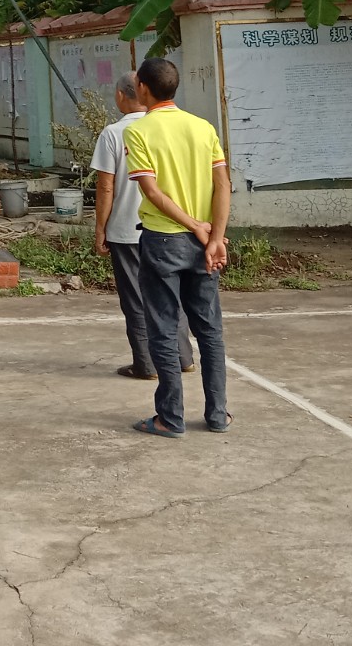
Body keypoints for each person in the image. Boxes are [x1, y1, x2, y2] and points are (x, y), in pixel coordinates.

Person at [124, 57, 232, 439]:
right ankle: (218, 414)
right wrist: (214, 236)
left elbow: (151, 191)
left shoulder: (140, 131)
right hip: (204, 244)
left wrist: (195, 226)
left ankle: (170, 417)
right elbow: (223, 186)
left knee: (164, 330)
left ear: (142, 88)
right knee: (209, 330)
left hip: (163, 241)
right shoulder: (203, 128)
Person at [90, 74, 194, 381]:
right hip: (171, 225)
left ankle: (147, 363)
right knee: (172, 293)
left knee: (136, 298)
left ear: (123, 96)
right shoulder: (173, 127)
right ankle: (183, 357)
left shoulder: (115, 133)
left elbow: (106, 187)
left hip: (127, 228)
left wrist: (100, 229)